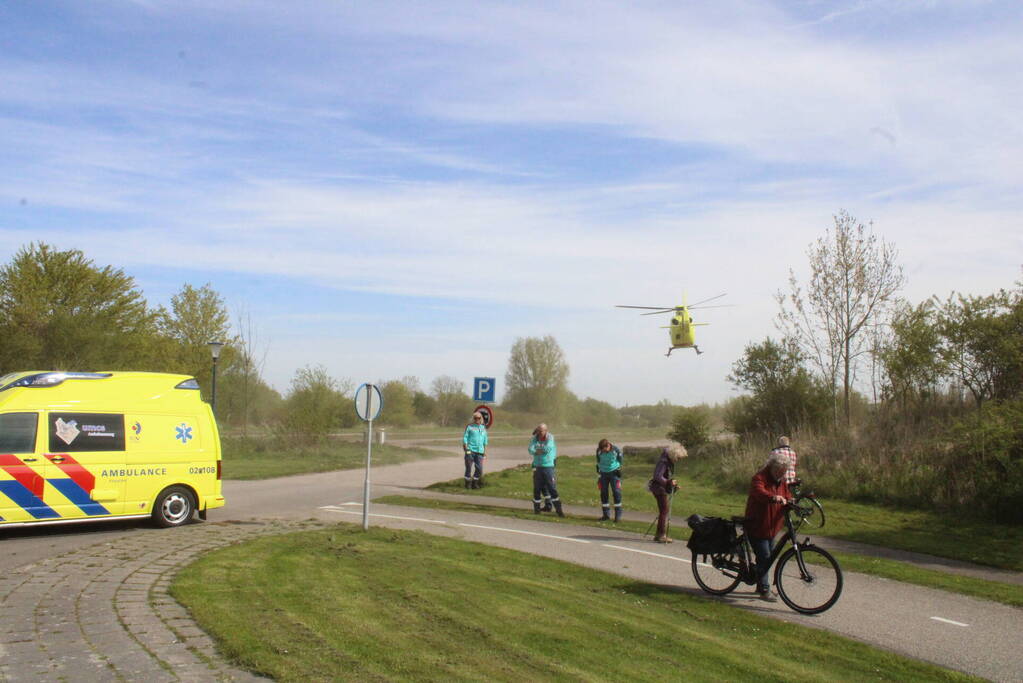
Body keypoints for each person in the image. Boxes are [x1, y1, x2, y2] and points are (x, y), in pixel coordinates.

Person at [744, 452, 793, 601]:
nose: (782, 474)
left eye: (784, 471)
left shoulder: (781, 481)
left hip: (772, 527)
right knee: (765, 557)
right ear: (773, 467)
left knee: (768, 557)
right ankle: (764, 589)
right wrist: (773, 497)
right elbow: (759, 492)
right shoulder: (759, 478)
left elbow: (787, 494)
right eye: (780, 471)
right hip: (757, 525)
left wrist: (791, 501)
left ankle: (760, 584)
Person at [648, 443, 687, 542]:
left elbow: (665, 476)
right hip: (658, 488)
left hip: (660, 488)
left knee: (663, 511)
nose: (678, 460)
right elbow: (657, 476)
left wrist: (672, 484)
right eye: (678, 458)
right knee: (664, 511)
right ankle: (661, 535)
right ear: (674, 455)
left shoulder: (667, 461)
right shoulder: (664, 462)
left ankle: (659, 535)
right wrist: (669, 482)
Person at [529, 423, 563, 517]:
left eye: (541, 431)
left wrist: (537, 450)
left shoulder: (550, 438)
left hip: (548, 466)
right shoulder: (535, 438)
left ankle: (559, 510)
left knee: (552, 488)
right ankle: (537, 510)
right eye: (538, 431)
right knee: (537, 488)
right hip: (537, 466)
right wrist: (538, 451)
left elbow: (547, 449)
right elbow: (530, 449)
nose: (539, 433)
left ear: (546, 430)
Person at [595, 438, 624, 522]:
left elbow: (620, 460)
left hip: (614, 473)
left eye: (604, 449)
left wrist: (618, 468)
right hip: (603, 473)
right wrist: (600, 470)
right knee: (603, 493)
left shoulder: (615, 450)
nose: (603, 451)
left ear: (608, 446)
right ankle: (606, 515)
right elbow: (598, 460)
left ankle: (617, 516)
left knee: (616, 492)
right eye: (602, 450)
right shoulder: (599, 451)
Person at [462, 411, 488, 489]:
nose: (477, 419)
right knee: (468, 467)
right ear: (473, 418)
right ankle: (467, 483)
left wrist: (485, 451)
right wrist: (465, 447)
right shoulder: (470, 427)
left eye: (478, 418)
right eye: (475, 418)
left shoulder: (483, 428)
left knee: (479, 468)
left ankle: (475, 482)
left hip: (480, 451)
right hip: (470, 450)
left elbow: (485, 440)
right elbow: (465, 437)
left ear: (481, 419)